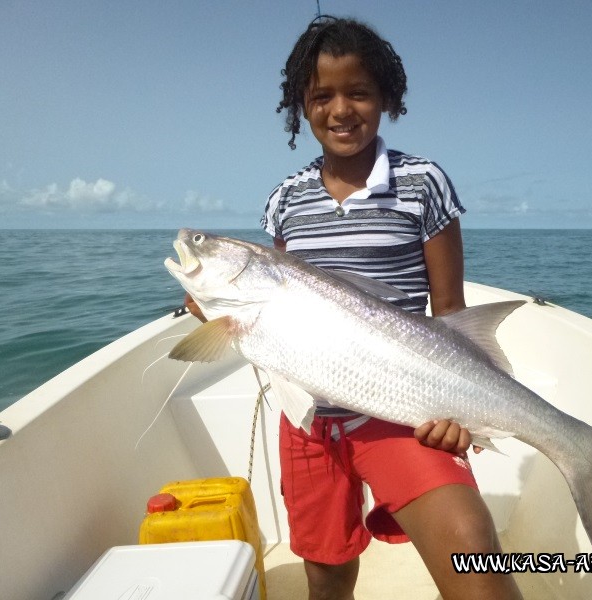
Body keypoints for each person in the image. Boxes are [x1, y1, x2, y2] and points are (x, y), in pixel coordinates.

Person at [188, 15, 522, 600]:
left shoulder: (423, 183)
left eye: (358, 92)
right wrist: (219, 312)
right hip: (310, 422)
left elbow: (450, 310)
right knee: (328, 575)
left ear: (386, 97)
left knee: (473, 554)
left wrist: (458, 413)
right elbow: (285, 306)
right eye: (322, 96)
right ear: (301, 106)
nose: (341, 110)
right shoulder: (285, 199)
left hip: (405, 411)